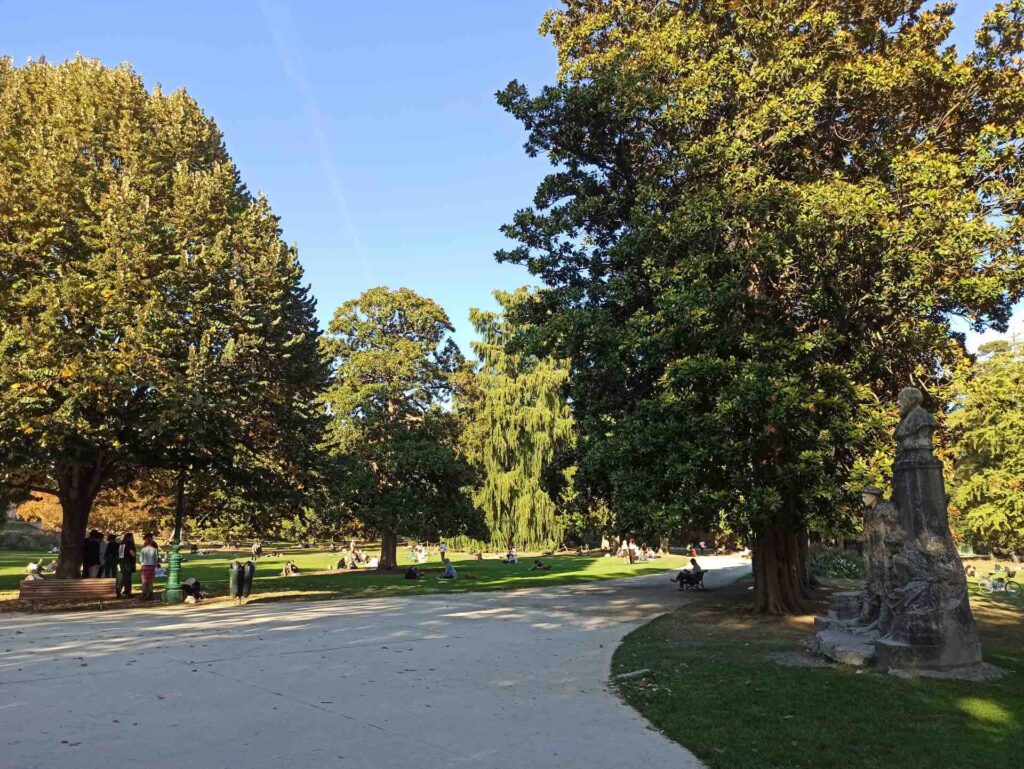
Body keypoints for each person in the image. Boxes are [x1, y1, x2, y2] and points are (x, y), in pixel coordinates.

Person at [139, 534, 160, 601]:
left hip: (144, 566)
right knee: (150, 582)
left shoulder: (143, 550)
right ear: (151, 542)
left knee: (144, 582)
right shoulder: (154, 550)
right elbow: (156, 559)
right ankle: (151, 595)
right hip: (151, 567)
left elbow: (141, 560)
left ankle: (144, 595)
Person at [117, 533, 137, 598]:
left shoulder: (122, 543)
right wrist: (134, 555)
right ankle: (127, 592)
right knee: (128, 578)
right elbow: (131, 552)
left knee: (124, 577)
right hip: (128, 562)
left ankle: (119, 589)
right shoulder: (129, 543)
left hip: (122, 562)